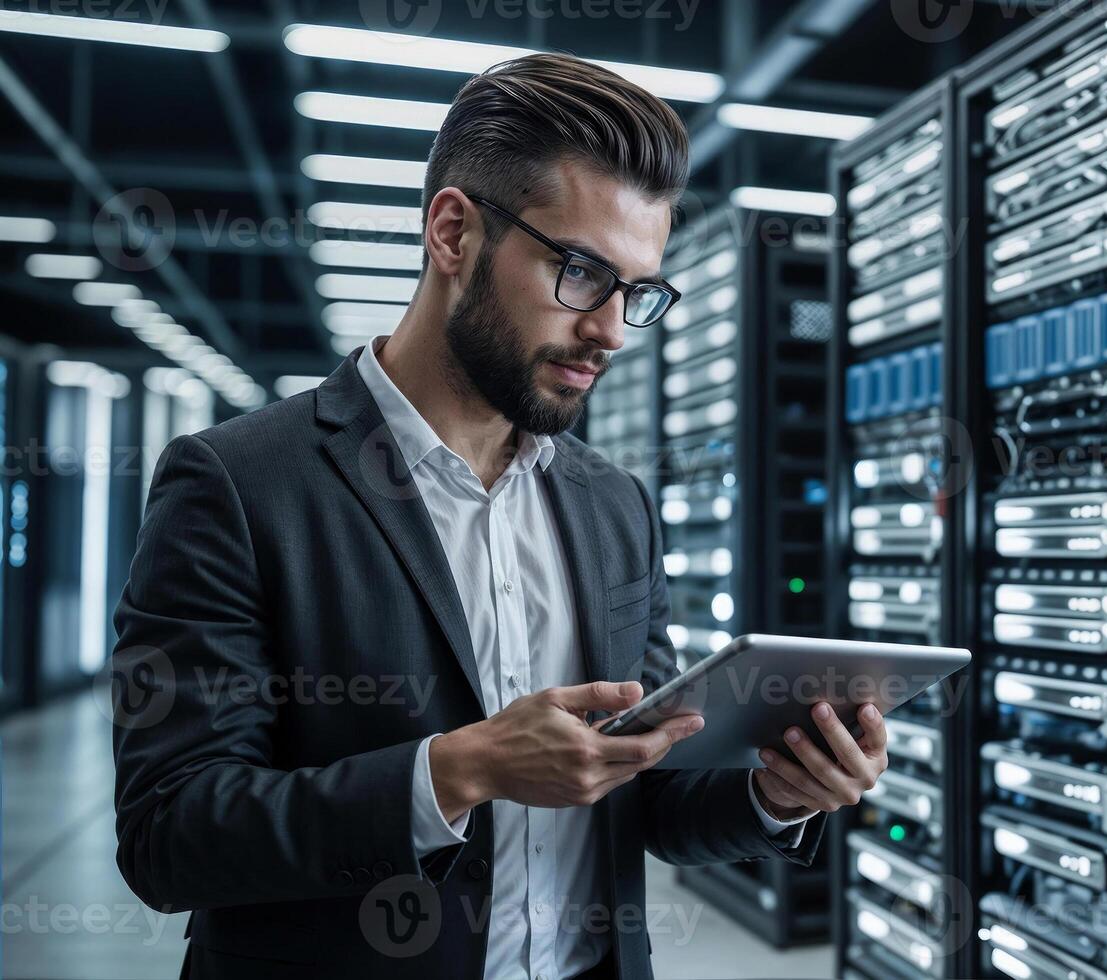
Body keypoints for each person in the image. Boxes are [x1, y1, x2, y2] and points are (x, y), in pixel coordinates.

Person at [110, 52, 889, 980]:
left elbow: (653, 798)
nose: (608, 328)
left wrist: (775, 793)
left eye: (636, 292)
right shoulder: (238, 484)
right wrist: (455, 771)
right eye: (580, 271)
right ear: (452, 232)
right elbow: (170, 834)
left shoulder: (612, 506)